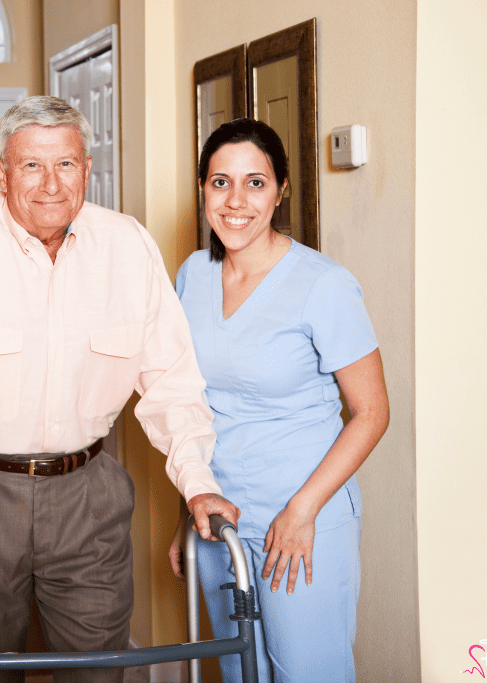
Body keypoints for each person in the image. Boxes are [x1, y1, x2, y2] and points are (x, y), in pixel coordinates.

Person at [0, 96, 239, 683]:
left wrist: (199, 485)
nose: (51, 185)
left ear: (88, 168)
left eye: (66, 165)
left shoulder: (127, 246)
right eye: (31, 166)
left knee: (99, 669)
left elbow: (172, 386)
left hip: (88, 497)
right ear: (1, 171)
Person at [169, 118, 390, 683]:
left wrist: (303, 510)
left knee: (307, 674)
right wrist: (190, 504)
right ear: (202, 188)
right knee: (242, 672)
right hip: (219, 519)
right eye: (220, 182)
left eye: (255, 182)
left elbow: (372, 412)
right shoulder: (192, 275)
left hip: (301, 517)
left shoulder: (323, 284)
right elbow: (191, 402)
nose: (236, 201)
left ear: (281, 189)